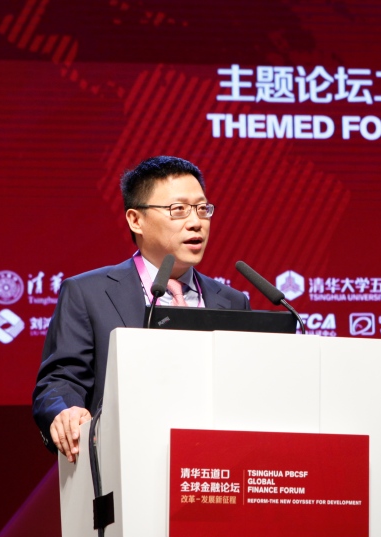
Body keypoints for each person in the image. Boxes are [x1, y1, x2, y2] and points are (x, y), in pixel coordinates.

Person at [32, 156, 250, 461]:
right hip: (123, 460)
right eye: (178, 209)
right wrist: (66, 412)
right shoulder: (87, 293)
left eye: (202, 208)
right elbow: (61, 380)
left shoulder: (233, 302)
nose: (196, 222)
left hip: (214, 462)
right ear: (136, 220)